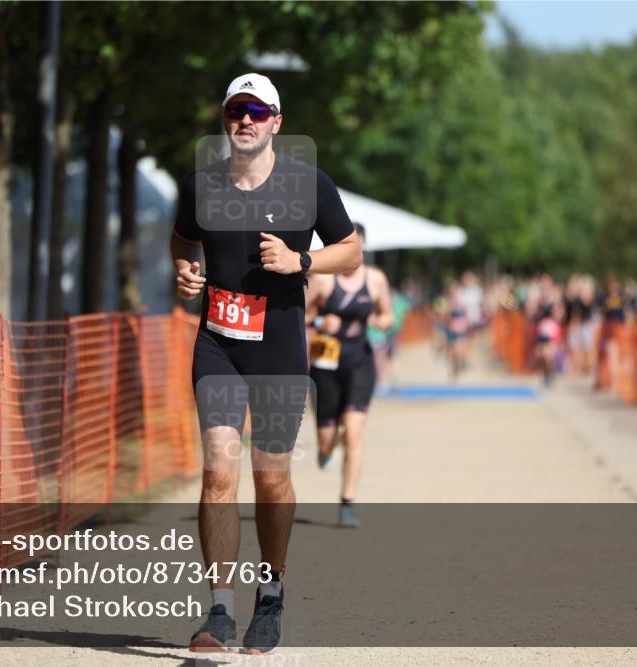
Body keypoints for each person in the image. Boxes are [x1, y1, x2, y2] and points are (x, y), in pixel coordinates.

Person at [171, 73, 362, 653]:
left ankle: (271, 595)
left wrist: (301, 260)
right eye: (236, 111)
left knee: (271, 478)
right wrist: (185, 271)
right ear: (225, 120)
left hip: (278, 349)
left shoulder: (308, 186)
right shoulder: (200, 186)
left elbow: (352, 252)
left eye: (257, 111)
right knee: (218, 471)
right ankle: (219, 611)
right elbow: (183, 241)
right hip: (218, 346)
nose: (246, 120)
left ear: (277, 121)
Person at [305, 223, 393, 527]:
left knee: (355, 431)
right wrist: (318, 323)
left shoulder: (376, 280)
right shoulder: (322, 280)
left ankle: (346, 504)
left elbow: (387, 315)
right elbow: (299, 315)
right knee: (327, 438)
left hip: (359, 361)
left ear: (363, 248)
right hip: (324, 364)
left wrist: (377, 321)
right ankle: (326, 448)